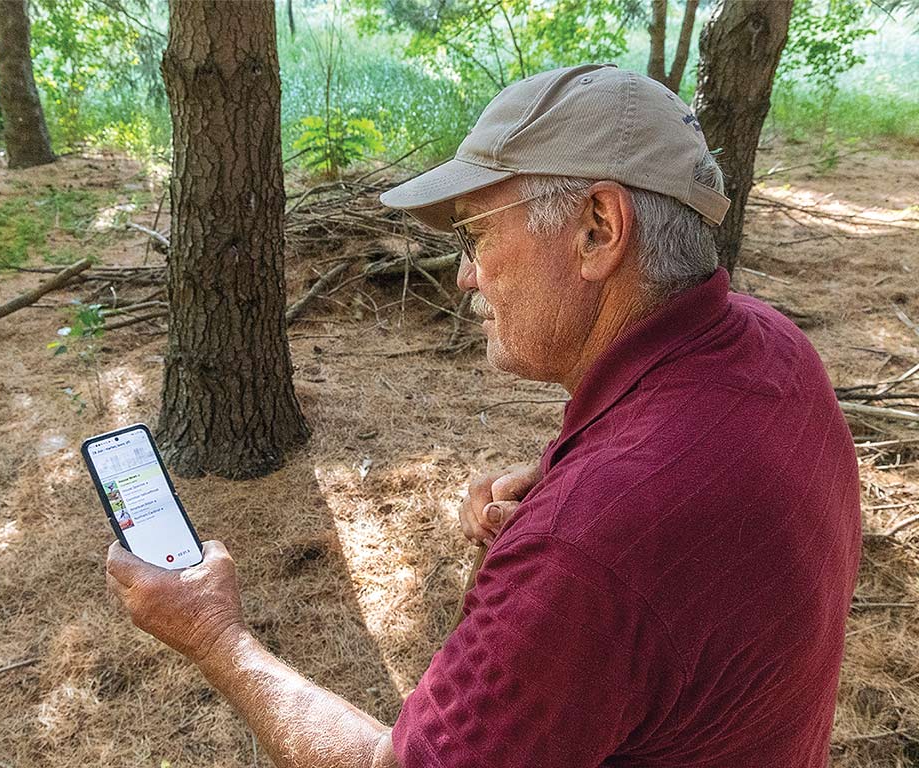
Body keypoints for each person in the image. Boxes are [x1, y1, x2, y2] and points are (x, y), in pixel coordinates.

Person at [106, 64, 861, 767]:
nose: (465, 276)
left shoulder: (585, 548)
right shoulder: (774, 349)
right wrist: (567, 481)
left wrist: (215, 636)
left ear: (598, 227)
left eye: (475, 233)